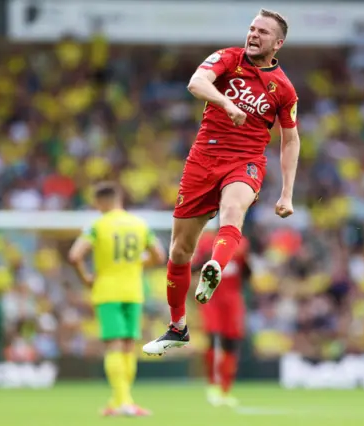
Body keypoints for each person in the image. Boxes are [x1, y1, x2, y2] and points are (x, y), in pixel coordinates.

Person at [143, 8, 300, 356]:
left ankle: (216, 264)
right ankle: (177, 327)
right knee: (179, 251)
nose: (253, 35)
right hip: (202, 161)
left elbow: (290, 140)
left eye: (262, 31)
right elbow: (196, 83)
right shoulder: (228, 59)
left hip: (245, 162)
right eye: (251, 28)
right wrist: (226, 103)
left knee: (233, 207)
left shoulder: (284, 89)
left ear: (278, 43)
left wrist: (287, 193)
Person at [68, 183, 165, 417]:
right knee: (129, 346)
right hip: (134, 290)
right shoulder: (139, 224)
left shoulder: (98, 226)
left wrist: (87, 279)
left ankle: (123, 402)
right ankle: (120, 400)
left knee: (113, 346)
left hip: (107, 290)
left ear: (102, 202)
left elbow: (74, 256)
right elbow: (159, 256)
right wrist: (134, 264)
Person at [193, 232, 250, 407]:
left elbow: (247, 272)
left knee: (230, 343)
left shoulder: (243, 243)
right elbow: (195, 266)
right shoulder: (207, 242)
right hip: (212, 296)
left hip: (232, 300)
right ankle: (212, 385)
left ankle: (225, 389)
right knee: (211, 339)